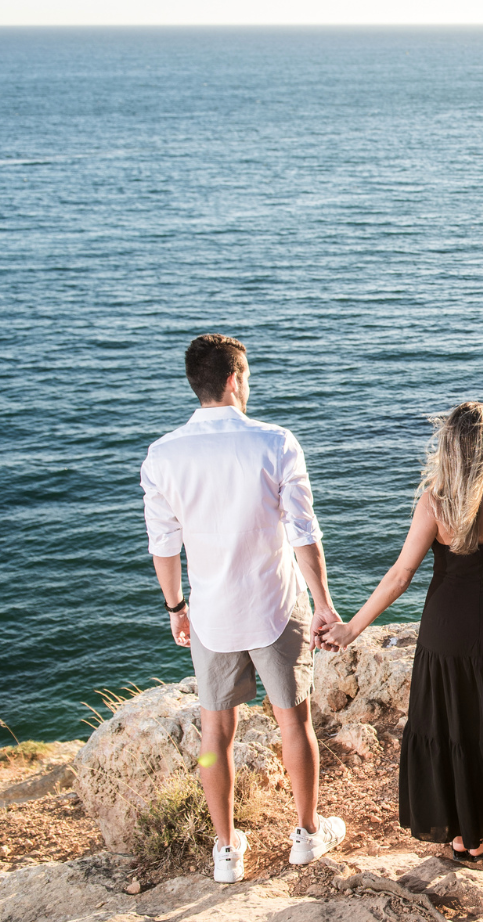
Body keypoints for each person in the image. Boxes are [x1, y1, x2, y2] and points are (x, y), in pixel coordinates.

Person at [318, 402, 483, 861]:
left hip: (443, 633)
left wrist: (351, 627)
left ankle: (463, 837)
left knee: (453, 729)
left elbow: (400, 575)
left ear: (449, 447)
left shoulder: (436, 501)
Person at [141, 334, 346, 883]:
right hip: (276, 606)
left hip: (211, 614)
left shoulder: (163, 455)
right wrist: (323, 605)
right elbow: (304, 534)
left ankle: (226, 849)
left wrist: (176, 608)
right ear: (234, 380)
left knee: (216, 734)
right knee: (294, 723)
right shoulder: (275, 443)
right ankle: (305, 834)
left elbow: (164, 547)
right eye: (247, 377)